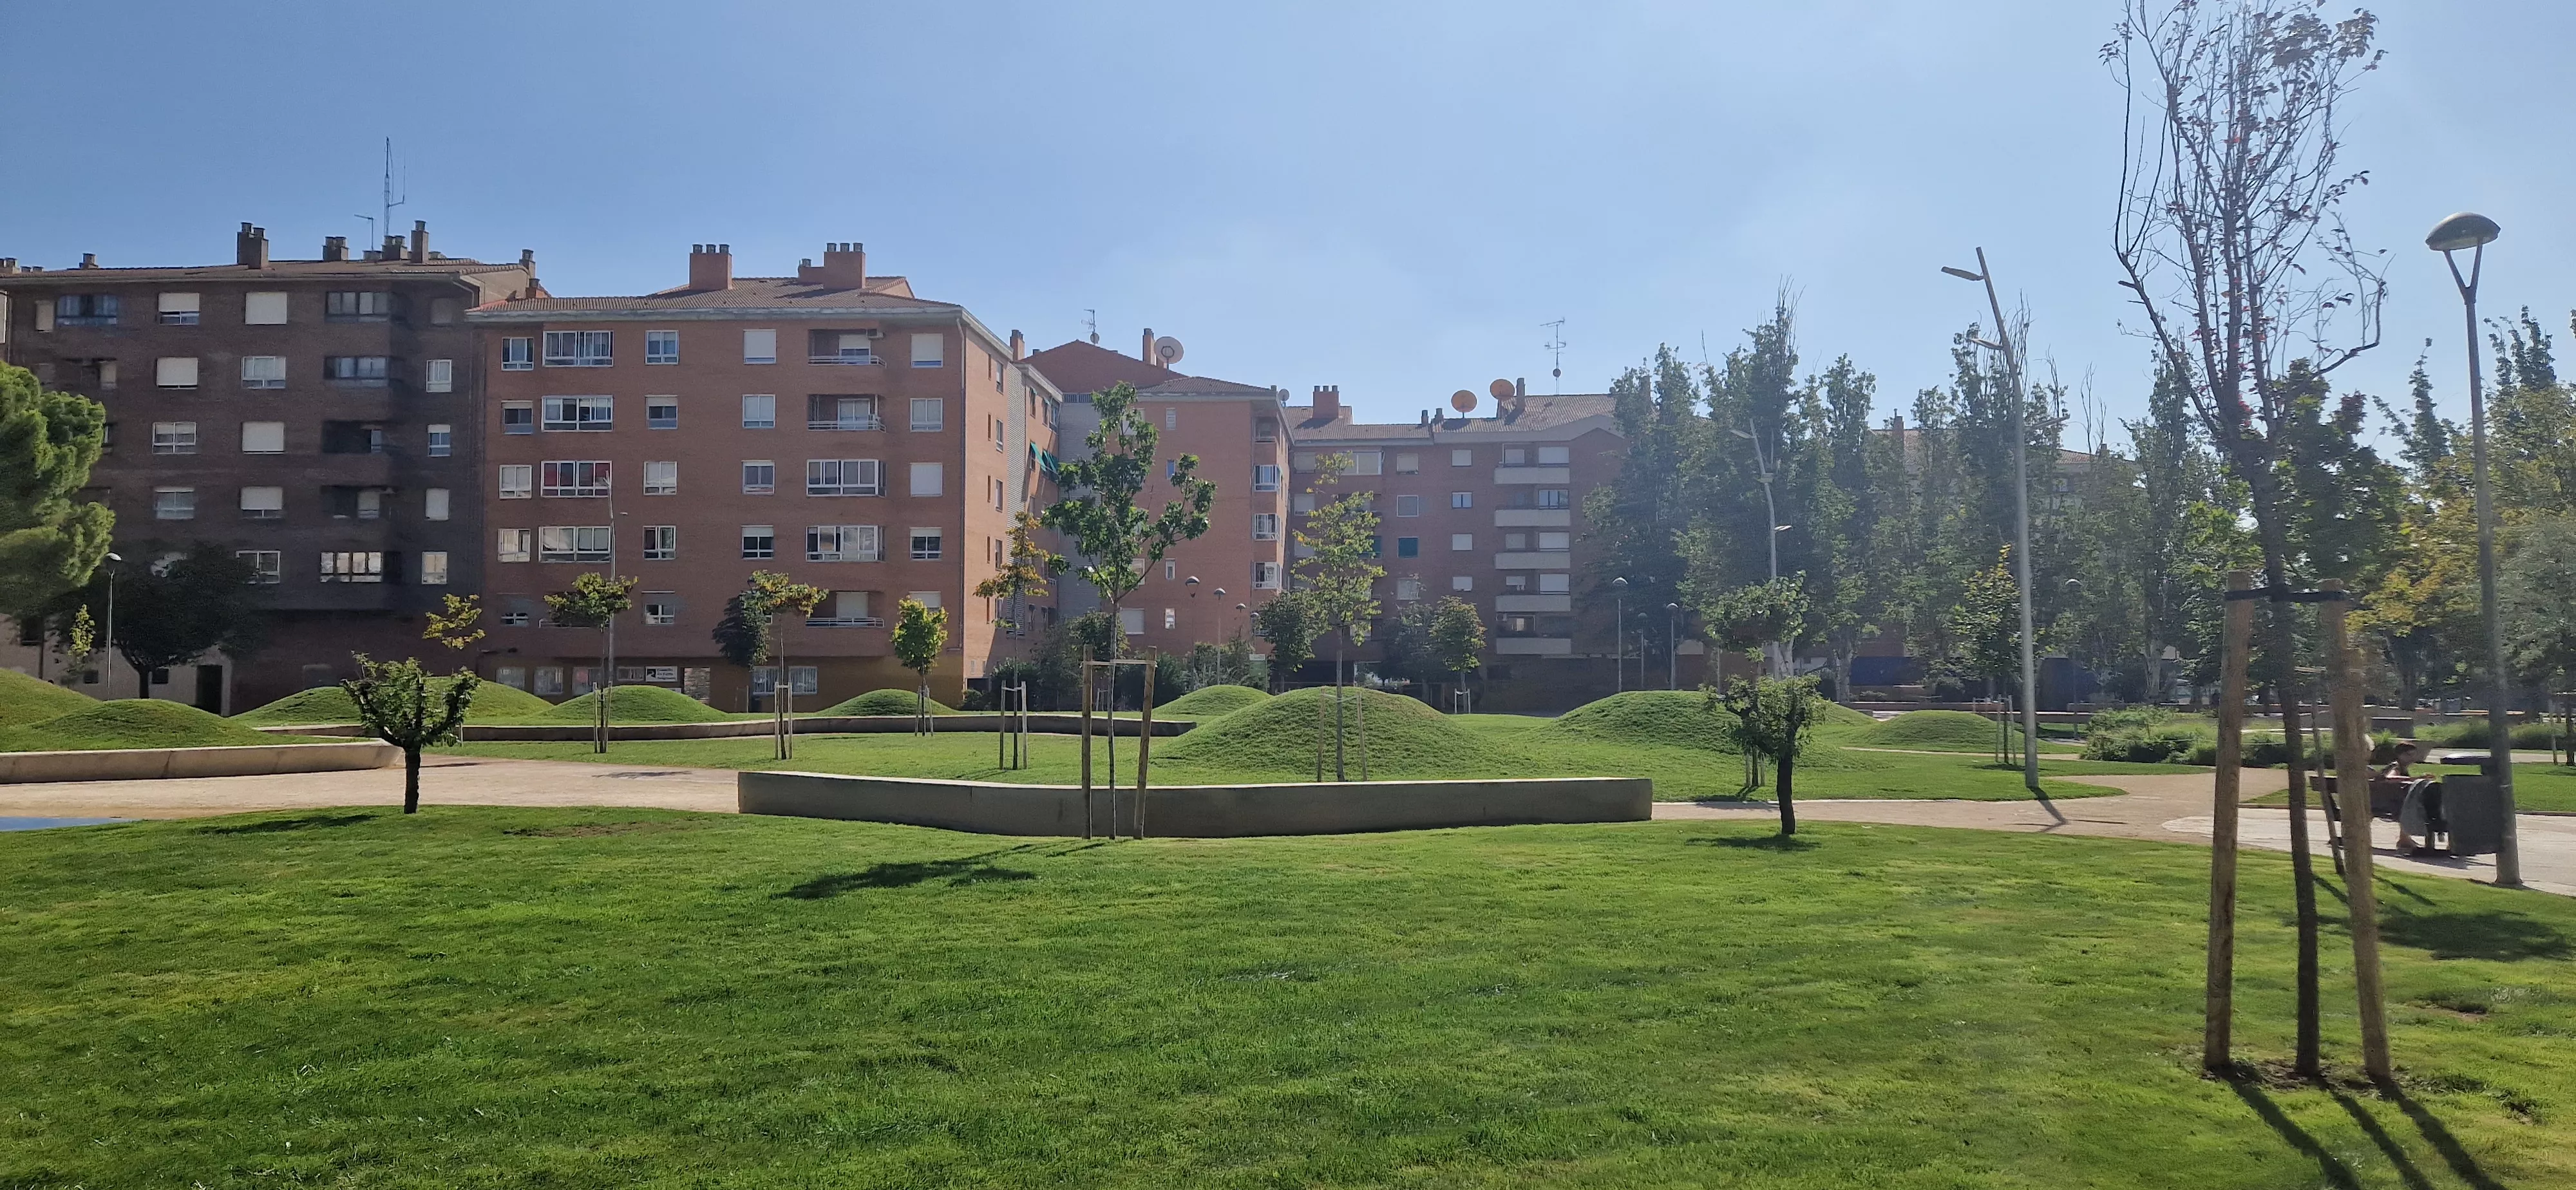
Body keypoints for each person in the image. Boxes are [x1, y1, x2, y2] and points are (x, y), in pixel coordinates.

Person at [2377, 742, 2442, 856]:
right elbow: (2390, 778)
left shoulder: (2400, 767)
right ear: (2399, 755)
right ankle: (2405, 840)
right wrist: (2416, 779)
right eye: (2408, 755)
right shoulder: (2396, 766)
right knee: (2418, 806)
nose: (2412, 758)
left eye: (2413, 755)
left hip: (2387, 801)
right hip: (2388, 804)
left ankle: (2405, 839)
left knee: (2409, 802)